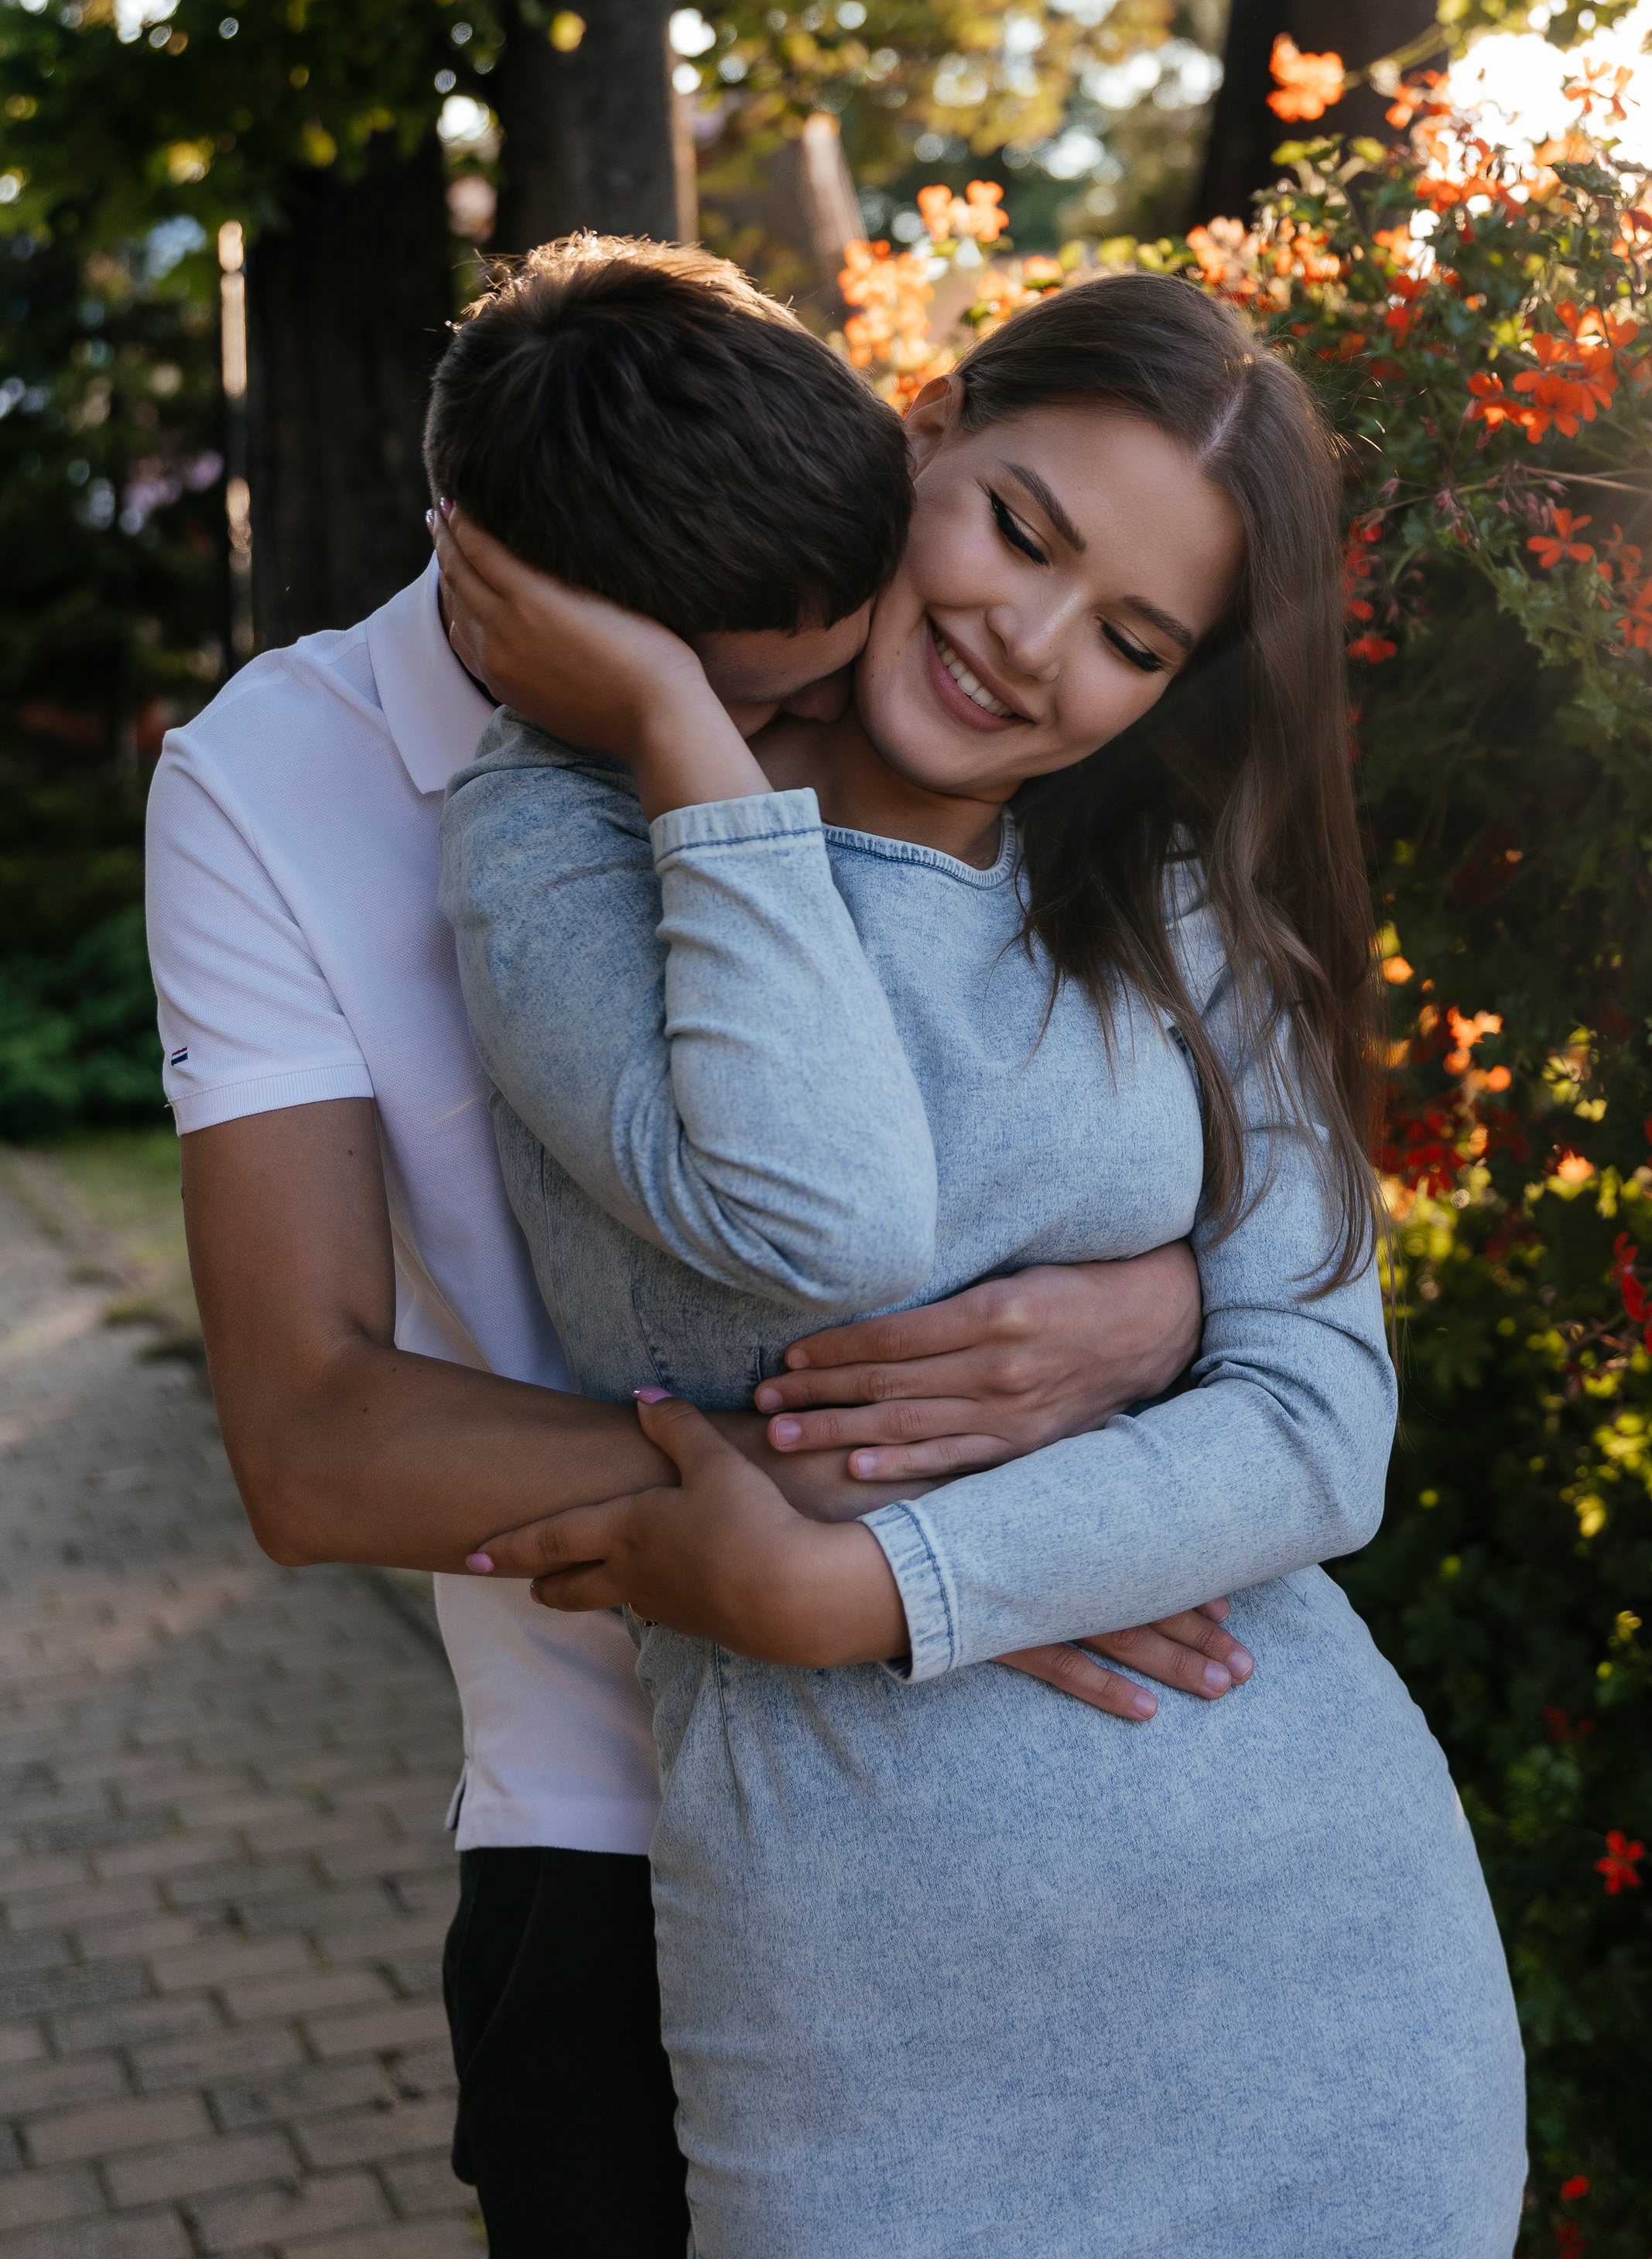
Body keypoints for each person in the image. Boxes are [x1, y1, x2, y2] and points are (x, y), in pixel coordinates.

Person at [146, 238, 1219, 2259]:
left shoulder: (902, 636)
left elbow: (1169, 1183)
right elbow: (308, 1438)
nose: (834, 726)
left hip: (1056, 1782)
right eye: (751, 706)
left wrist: (1160, 1310)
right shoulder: (269, 789)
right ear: (517, 606)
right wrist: (890, 1532)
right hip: (626, 1835)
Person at [436, 272, 1527, 2258]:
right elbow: (818, 1213)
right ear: (916, 431)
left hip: (1329, 1961)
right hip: (870, 2004)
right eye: (1017, 527)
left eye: (1128, 637)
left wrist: (868, 1586)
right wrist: (689, 730)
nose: (1025, 648)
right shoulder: (567, 829)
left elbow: (1318, 1429)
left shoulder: (1167, 896)